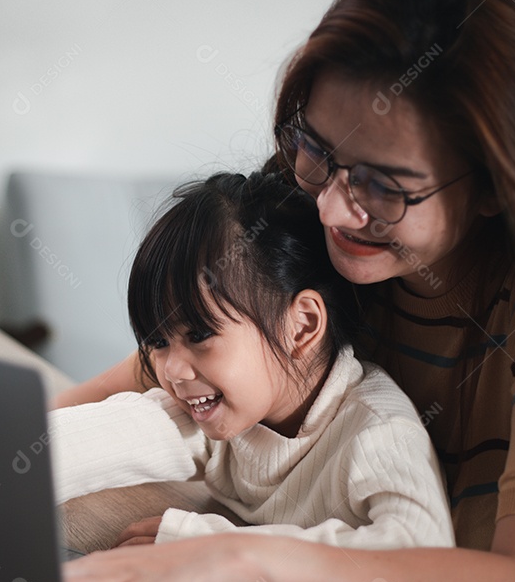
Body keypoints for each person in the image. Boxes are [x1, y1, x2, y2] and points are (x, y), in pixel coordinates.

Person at [55, 0, 515, 582]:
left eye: (385, 186)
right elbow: (177, 360)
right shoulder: (333, 223)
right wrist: (8, 446)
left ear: (496, 185)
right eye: (315, 148)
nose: (328, 205)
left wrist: (231, 559)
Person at [49, 171, 455, 551]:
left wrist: (209, 544)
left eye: (200, 335)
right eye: (158, 341)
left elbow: (420, 552)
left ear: (301, 327)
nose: (171, 370)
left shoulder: (378, 433)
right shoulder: (214, 409)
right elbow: (83, 442)